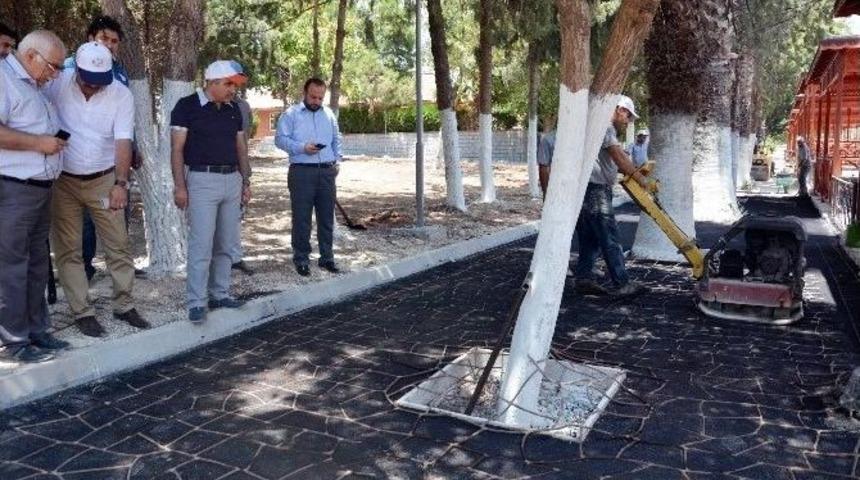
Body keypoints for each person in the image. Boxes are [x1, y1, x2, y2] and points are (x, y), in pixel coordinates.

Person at [43, 42, 148, 337]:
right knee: (69, 250)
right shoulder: (57, 83)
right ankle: (82, 311)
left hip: (104, 179)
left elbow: (123, 140)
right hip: (63, 181)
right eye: (87, 80)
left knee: (118, 244)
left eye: (99, 81)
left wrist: (121, 184)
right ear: (76, 69)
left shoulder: (120, 94)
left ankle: (124, 305)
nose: (93, 86)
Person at [0, 30, 68, 362]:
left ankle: (37, 329)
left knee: (38, 264)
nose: (54, 74)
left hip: (40, 189)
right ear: (30, 56)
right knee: (11, 266)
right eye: (53, 66)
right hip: (14, 188)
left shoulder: (34, 85)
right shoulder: (4, 79)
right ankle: (14, 341)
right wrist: (39, 143)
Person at [170, 60, 252, 323]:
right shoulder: (186, 106)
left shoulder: (234, 109)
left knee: (226, 243)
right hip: (201, 180)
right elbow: (176, 149)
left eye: (234, 85)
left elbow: (241, 147)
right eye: (228, 84)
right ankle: (196, 302)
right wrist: (180, 186)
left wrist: (246, 182)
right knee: (202, 245)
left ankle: (220, 293)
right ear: (212, 82)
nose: (232, 90)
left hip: (232, 180)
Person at [65, 15, 141, 282]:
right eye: (104, 38)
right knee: (83, 224)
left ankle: (119, 270)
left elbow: (123, 119)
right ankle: (84, 268)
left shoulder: (118, 72)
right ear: (90, 38)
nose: (109, 45)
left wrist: (133, 147)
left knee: (117, 217)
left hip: (111, 163)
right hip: (76, 166)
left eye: (114, 41)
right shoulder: (68, 70)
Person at [573, 95, 657, 297]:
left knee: (590, 237)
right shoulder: (606, 127)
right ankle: (622, 283)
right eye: (628, 116)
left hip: (586, 188)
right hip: (596, 190)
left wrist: (624, 170)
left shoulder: (596, 126)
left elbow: (608, 160)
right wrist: (640, 178)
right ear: (620, 110)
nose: (628, 121)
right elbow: (618, 156)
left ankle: (583, 278)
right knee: (609, 236)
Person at [275, 78, 343, 277]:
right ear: (304, 93)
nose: (316, 101)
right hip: (301, 172)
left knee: (326, 218)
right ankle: (302, 259)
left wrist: (337, 161)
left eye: (320, 98)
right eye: (313, 97)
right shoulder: (291, 114)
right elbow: (279, 139)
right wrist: (301, 148)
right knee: (302, 218)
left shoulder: (329, 114)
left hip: (327, 172)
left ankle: (327, 258)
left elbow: (337, 138)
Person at [231, 90, 254, 276]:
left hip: (238, 167)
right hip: (210, 168)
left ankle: (235, 258)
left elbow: (245, 139)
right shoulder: (206, 103)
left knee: (236, 215)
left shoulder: (243, 106)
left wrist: (245, 176)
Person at [537, 129, 555, 199]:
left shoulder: (548, 139)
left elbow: (543, 168)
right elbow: (543, 168)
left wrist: (546, 193)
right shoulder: (549, 139)